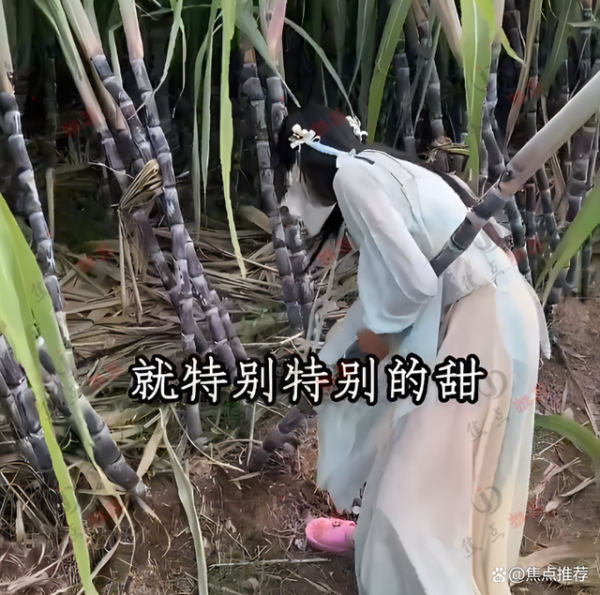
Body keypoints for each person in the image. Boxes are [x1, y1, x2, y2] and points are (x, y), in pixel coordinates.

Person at [277, 104, 551, 595]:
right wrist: (347, 353)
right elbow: (412, 283)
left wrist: (366, 349)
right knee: (418, 445)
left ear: (301, 166)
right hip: (494, 312)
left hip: (484, 324)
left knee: (419, 477)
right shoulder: (383, 164)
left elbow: (413, 288)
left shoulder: (351, 179)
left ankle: (420, 577)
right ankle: (376, 545)